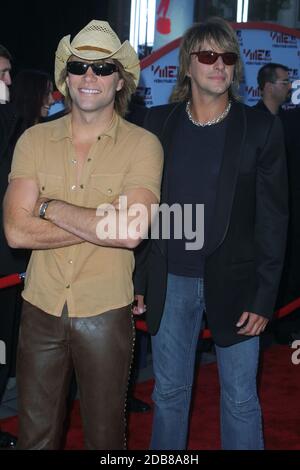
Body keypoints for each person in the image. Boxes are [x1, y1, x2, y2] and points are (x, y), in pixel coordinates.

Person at [3, 20, 163, 450]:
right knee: (35, 438)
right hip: (40, 308)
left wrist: (48, 207)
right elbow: (16, 232)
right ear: (66, 77)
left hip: (107, 311)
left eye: (103, 68)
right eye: (78, 66)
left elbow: (131, 231)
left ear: (120, 81)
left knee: (107, 439)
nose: (89, 77)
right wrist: (99, 224)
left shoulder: (143, 145)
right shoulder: (32, 140)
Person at [135, 17, 288, 450]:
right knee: (168, 395)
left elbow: (274, 220)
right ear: (188, 65)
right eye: (207, 55)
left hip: (238, 287)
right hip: (171, 280)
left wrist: (264, 296)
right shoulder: (157, 123)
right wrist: (141, 279)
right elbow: (148, 208)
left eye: (227, 57)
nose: (219, 65)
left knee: (240, 400)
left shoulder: (259, 128)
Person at [0, 67, 55, 449]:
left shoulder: (26, 133)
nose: (6, 82)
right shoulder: (14, 132)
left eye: (7, 75)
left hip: (14, 264)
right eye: (1, 74)